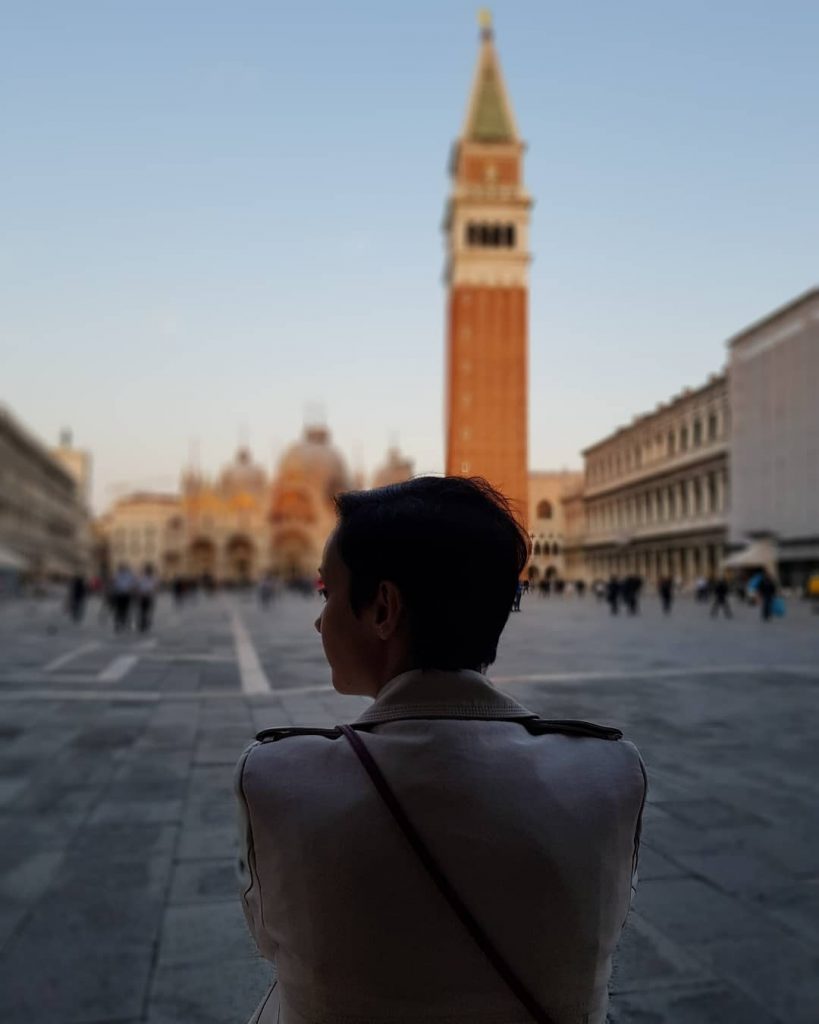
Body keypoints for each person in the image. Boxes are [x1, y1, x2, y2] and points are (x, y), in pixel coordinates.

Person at [235, 477, 646, 1024]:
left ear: (383, 609)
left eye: (327, 594)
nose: (318, 619)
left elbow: (271, 941)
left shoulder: (276, 779)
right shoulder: (611, 773)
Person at [111, 564, 135, 632]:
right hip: (120, 594)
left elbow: (132, 585)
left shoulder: (127, 575)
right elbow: (114, 584)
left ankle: (122, 622)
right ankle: (119, 623)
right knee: (119, 610)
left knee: (124, 610)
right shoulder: (117, 575)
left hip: (125, 594)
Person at [136, 563, 157, 632]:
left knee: (148, 611)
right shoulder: (143, 578)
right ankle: (142, 624)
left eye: (149, 570)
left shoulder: (153, 578)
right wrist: (140, 593)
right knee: (143, 611)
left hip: (149, 597)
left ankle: (145, 623)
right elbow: (139, 587)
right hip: (143, 597)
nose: (149, 572)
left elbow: (154, 587)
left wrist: (151, 592)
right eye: (148, 570)